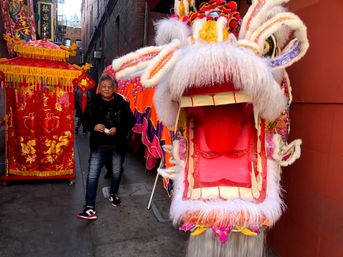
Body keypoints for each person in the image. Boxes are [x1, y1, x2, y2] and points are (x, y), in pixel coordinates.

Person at [77, 74, 135, 220]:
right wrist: (94, 126)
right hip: (98, 145)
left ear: (114, 88)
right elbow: (84, 119)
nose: (107, 89)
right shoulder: (93, 102)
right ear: (99, 88)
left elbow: (131, 121)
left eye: (110, 87)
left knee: (116, 172)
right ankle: (89, 207)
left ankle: (113, 194)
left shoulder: (121, 102)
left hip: (117, 144)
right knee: (92, 175)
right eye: (104, 87)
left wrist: (119, 129)